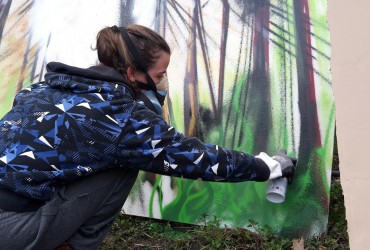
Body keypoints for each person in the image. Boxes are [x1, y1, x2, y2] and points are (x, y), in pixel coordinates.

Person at [0, 24, 296, 249]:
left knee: (106, 157)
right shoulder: (122, 118)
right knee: (122, 164)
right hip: (10, 230)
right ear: (132, 73)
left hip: (14, 210)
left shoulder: (40, 89)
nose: (163, 83)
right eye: (158, 76)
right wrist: (268, 167)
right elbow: (198, 159)